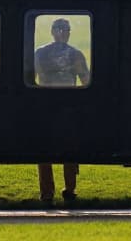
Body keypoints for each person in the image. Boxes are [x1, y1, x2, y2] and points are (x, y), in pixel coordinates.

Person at [33, 18, 89, 205]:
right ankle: (69, 191)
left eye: (66, 29)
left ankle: (47, 194)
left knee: (45, 151)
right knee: (69, 150)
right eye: (64, 29)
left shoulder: (40, 53)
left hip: (46, 106)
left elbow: (29, 78)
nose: (65, 32)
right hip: (68, 106)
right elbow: (86, 81)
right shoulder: (76, 55)